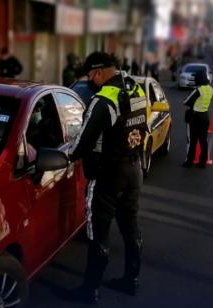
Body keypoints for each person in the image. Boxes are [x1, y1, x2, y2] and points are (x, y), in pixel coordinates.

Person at [66, 52, 147, 304]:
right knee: (130, 227)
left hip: (108, 175)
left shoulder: (104, 99)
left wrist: (66, 155)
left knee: (98, 233)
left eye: (90, 75)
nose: (90, 80)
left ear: (99, 72)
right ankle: (130, 280)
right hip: (134, 169)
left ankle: (89, 291)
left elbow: (81, 144)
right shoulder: (136, 88)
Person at [183, 71, 213, 168]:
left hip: (195, 117)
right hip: (205, 116)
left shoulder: (198, 90)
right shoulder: (211, 89)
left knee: (193, 141)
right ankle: (202, 163)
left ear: (199, 79)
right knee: (203, 141)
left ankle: (189, 162)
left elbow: (187, 102)